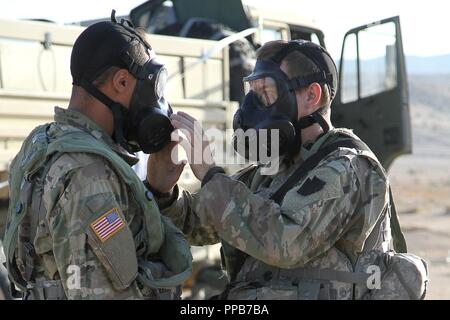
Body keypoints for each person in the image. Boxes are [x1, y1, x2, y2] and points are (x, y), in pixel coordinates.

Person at [147, 39, 404, 300]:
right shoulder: (274, 170)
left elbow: (285, 243)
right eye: (253, 92)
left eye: (266, 92)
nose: (252, 106)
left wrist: (211, 175)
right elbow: (203, 223)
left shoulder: (348, 167)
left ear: (312, 96)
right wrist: (163, 193)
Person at [3, 12, 192, 300]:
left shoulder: (43, 144)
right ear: (121, 82)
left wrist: (157, 191)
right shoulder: (88, 172)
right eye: (151, 86)